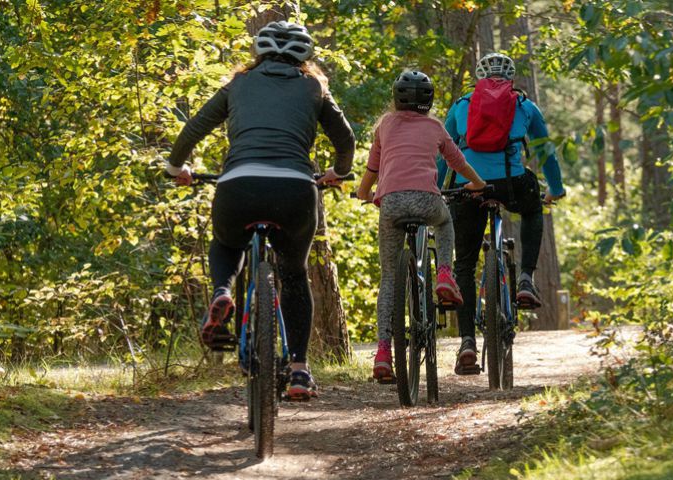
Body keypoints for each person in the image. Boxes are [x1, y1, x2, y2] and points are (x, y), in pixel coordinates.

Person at [166, 21, 355, 401]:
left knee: (226, 242)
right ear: (306, 56)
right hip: (295, 189)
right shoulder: (314, 86)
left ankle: (222, 291)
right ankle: (300, 370)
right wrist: (339, 171)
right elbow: (345, 139)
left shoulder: (238, 84)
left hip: (239, 184)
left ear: (259, 52)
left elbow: (193, 130)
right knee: (295, 275)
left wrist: (176, 168)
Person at [437, 52, 566, 375]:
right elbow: (545, 151)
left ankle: (467, 341)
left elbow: (443, 153)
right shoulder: (524, 106)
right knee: (533, 210)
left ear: (480, 77)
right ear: (510, 77)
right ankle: (525, 278)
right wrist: (556, 187)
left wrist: (440, 187)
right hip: (512, 184)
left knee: (464, 263)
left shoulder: (462, 105)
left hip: (469, 187)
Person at [356, 70, 487, 382]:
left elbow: (373, 167)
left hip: (391, 204)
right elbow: (458, 163)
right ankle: (444, 273)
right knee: (445, 221)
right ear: (429, 101)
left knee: (389, 278)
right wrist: (478, 184)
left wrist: (364, 193)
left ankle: (384, 352)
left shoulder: (385, 125)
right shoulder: (436, 127)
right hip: (429, 202)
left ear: (396, 98)